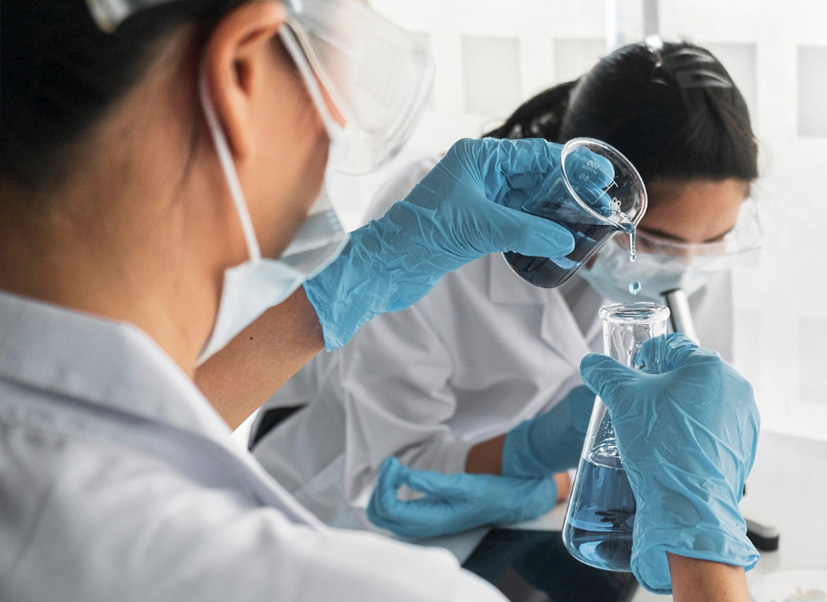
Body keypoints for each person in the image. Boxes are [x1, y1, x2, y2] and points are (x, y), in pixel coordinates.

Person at [0, 1, 757, 600]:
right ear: (242, 72)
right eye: (343, 64)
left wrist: (343, 288)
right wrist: (702, 544)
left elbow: (133, 421)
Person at [246, 38, 762, 540]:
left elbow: (685, 436)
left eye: (712, 243)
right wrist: (535, 458)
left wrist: (561, 478)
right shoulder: (439, 222)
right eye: (656, 243)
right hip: (326, 507)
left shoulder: (690, 252)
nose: (682, 272)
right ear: (593, 199)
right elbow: (391, 475)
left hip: (508, 525)